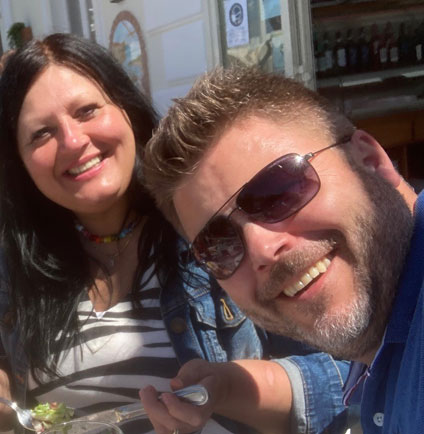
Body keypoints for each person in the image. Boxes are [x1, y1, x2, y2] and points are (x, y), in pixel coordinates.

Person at [0, 34, 348, 434]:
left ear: (126, 109)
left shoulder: (209, 226)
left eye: (87, 111)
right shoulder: (14, 251)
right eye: (42, 133)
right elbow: (2, 383)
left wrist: (226, 390)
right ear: (19, 161)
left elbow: (346, 376)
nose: (73, 141)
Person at [142, 66, 422, 434]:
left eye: (279, 191)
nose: (261, 249)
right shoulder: (384, 361)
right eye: (219, 244)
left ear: (370, 162)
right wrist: (225, 388)